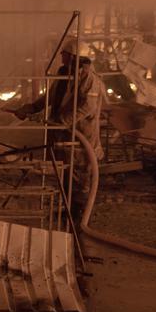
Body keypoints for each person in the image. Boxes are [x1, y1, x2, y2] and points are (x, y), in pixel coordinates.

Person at [11, 36, 105, 220]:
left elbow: (87, 107)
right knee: (67, 175)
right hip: (64, 137)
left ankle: (79, 217)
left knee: (80, 177)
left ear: (73, 56)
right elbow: (50, 98)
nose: (61, 56)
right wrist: (30, 108)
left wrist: (63, 121)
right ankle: (68, 211)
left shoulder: (89, 79)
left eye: (64, 53)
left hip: (81, 138)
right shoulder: (64, 76)